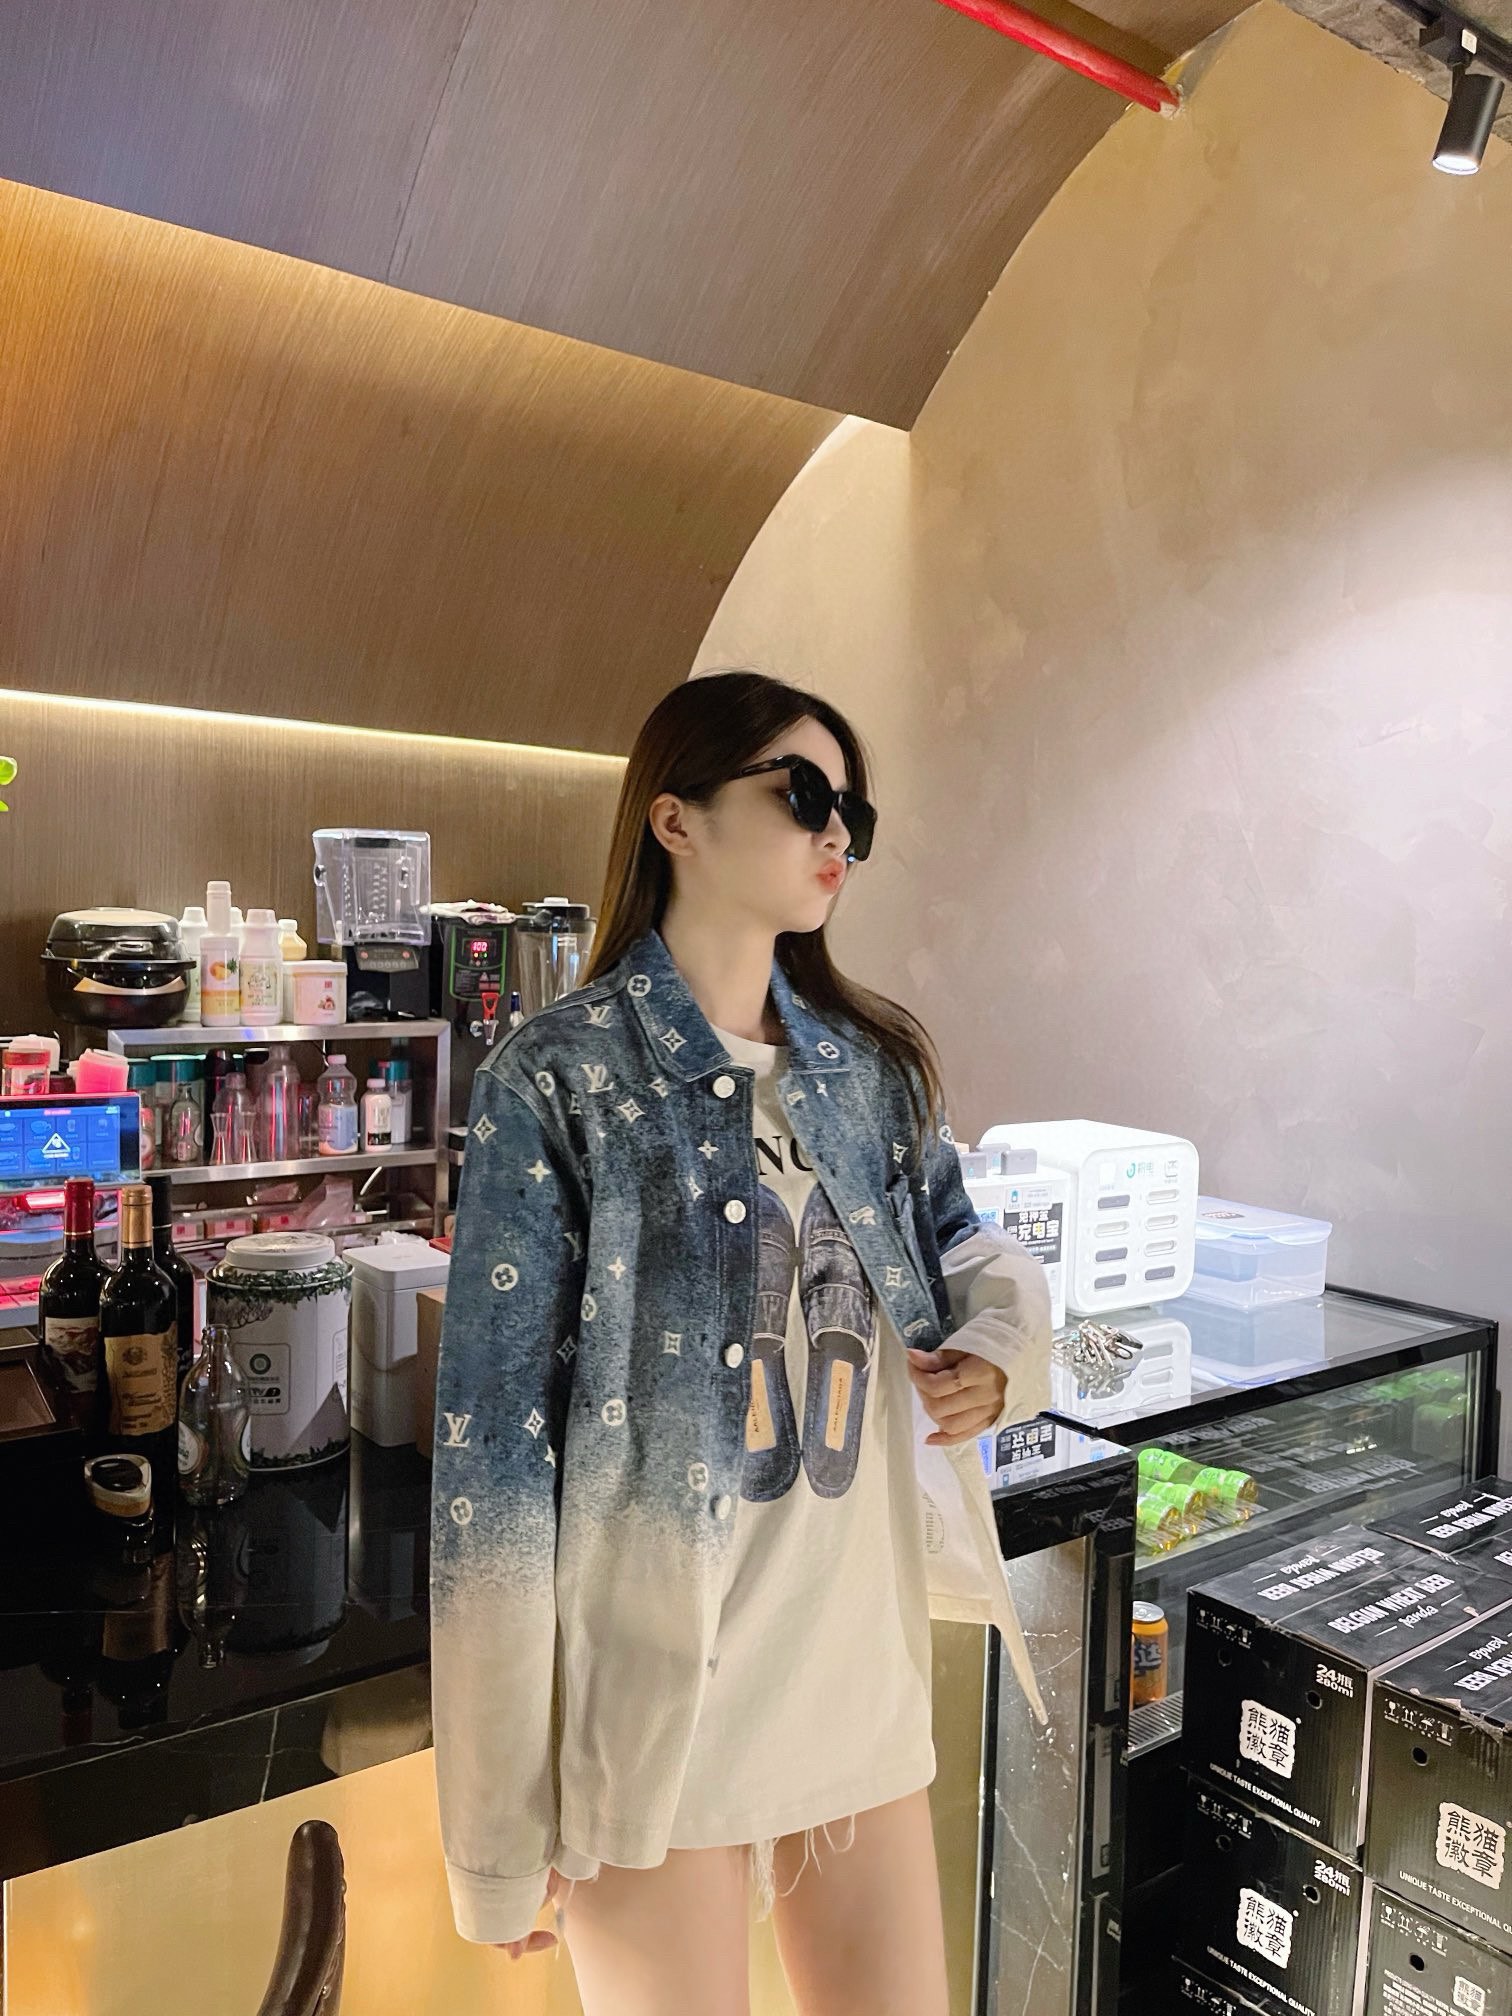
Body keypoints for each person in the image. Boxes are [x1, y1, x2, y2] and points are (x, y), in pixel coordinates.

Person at [431, 670, 1052, 2016]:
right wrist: (498, 1829)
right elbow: (494, 1473)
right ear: (676, 819)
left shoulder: (868, 1068)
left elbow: (962, 1247)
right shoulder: (560, 1077)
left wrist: (1003, 1349)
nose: (837, 835)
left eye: (853, 813)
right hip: (659, 1715)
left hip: (852, 1672)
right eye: (802, 794)